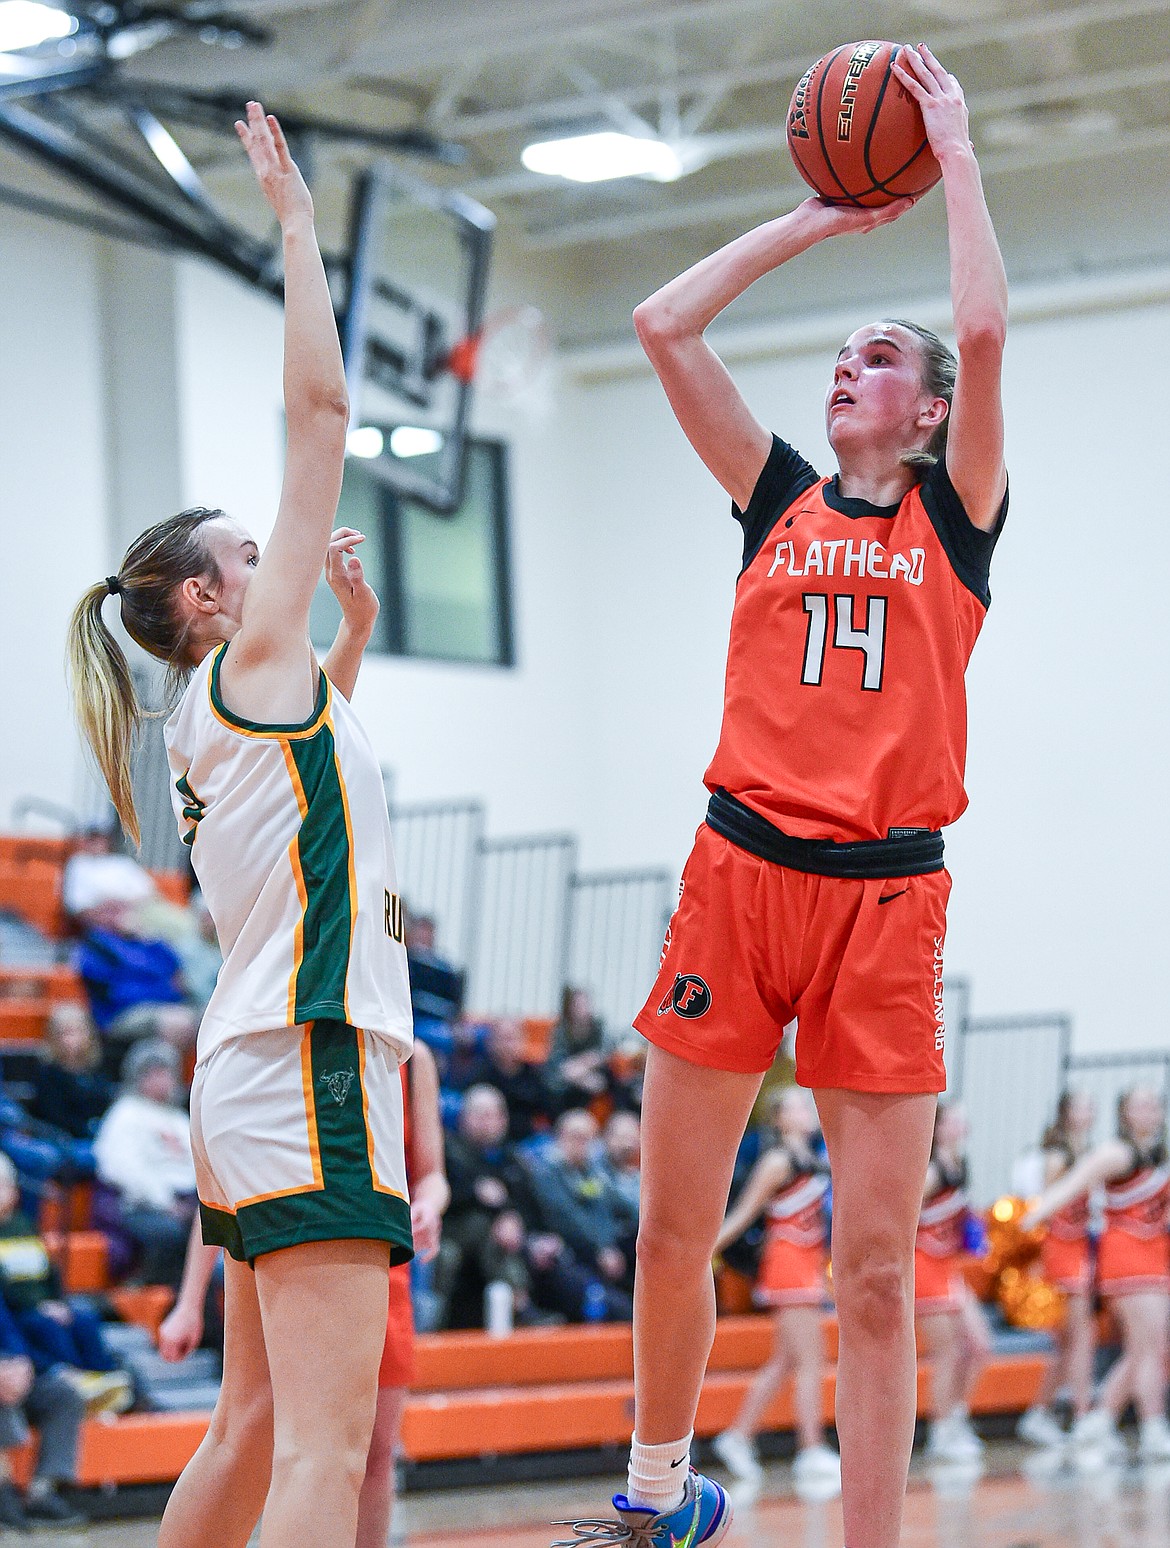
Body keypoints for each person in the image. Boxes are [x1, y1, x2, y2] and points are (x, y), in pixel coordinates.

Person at [554, 46, 1008, 1548]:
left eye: (877, 361)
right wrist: (821, 216)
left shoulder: (955, 517)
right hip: (736, 876)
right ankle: (660, 1496)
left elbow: (985, 327)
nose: (845, 374)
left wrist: (947, 161)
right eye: (843, 361)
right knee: (674, 1222)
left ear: (930, 414)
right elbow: (660, 320)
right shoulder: (772, 496)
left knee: (875, 1269)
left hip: (885, 899)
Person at [65, 103, 414, 1548]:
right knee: (325, 1460)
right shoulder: (244, 673)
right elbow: (320, 419)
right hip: (308, 1049)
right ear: (207, 605)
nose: (274, 563)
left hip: (252, 1061)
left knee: (257, 1425)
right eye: (250, 559)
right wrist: (293, 227)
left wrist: (357, 640)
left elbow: (308, 779)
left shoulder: (233, 707)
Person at [160, 1042, 449, 1548]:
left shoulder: (412, 1056)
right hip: (324, 1150)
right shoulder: (343, 1019)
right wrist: (188, 1302)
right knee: (318, 1451)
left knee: (283, 1437)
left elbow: (431, 1173)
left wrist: (429, 1203)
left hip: (368, 1233)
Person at [1023, 1088, 1170, 1460]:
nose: (1150, 1111)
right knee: (1148, 1347)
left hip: (1153, 1256)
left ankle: (1101, 1420)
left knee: (1147, 1348)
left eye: (1154, 1104)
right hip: (1128, 1259)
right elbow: (1072, 1184)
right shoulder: (1116, 1152)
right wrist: (1033, 1217)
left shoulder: (1155, 1154)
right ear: (1124, 1113)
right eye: (1140, 1105)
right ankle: (1150, 1427)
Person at [711, 1088, 838, 1493]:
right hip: (787, 1264)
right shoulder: (777, 1161)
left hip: (808, 1263)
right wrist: (706, 1251)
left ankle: (738, 1436)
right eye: (797, 1106)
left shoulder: (815, 1158)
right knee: (811, 1360)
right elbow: (744, 1213)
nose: (807, 1111)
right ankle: (811, 1449)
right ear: (779, 1119)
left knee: (785, 1361)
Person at [1017, 1090, 1097, 1448]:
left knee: (1071, 1343)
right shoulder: (1058, 1156)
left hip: (1082, 1247)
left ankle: (1040, 1413)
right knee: (1079, 1338)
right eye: (1083, 1104)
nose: (1089, 1110)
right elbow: (1048, 1204)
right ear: (1066, 1113)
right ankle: (1081, 1417)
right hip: (1063, 1248)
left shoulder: (1088, 1152)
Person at [914, 1102, 992, 1465]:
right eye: (955, 1119)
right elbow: (905, 1216)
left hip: (948, 1267)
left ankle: (955, 1417)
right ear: (939, 1127)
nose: (963, 1125)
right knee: (947, 1353)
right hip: (926, 1268)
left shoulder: (961, 1164)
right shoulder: (930, 1172)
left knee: (980, 1346)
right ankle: (941, 1431)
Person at [92, 1038, 197, 1288]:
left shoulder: (180, 1118)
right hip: (140, 1206)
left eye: (166, 1072)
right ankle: (149, 1290)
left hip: (188, 1200)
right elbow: (123, 1169)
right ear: (137, 1077)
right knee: (172, 1234)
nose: (162, 1080)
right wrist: (165, 1202)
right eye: (153, 1073)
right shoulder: (125, 1114)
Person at [25, 1000, 114, 1142]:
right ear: (53, 1037)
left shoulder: (97, 1070)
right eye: (66, 1033)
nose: (72, 1039)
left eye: (77, 1031)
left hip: (99, 1136)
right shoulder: (47, 1073)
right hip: (63, 1140)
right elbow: (53, 1117)